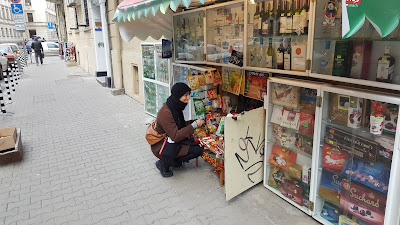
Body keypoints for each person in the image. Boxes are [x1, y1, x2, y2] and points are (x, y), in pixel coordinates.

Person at [151, 83, 205, 177]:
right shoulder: (166, 112)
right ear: (178, 96)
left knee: (198, 147)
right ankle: (163, 164)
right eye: (185, 95)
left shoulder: (175, 107)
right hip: (162, 145)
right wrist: (194, 125)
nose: (188, 98)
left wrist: (194, 122)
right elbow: (175, 136)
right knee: (197, 150)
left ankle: (174, 160)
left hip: (171, 140)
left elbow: (180, 126)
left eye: (188, 94)